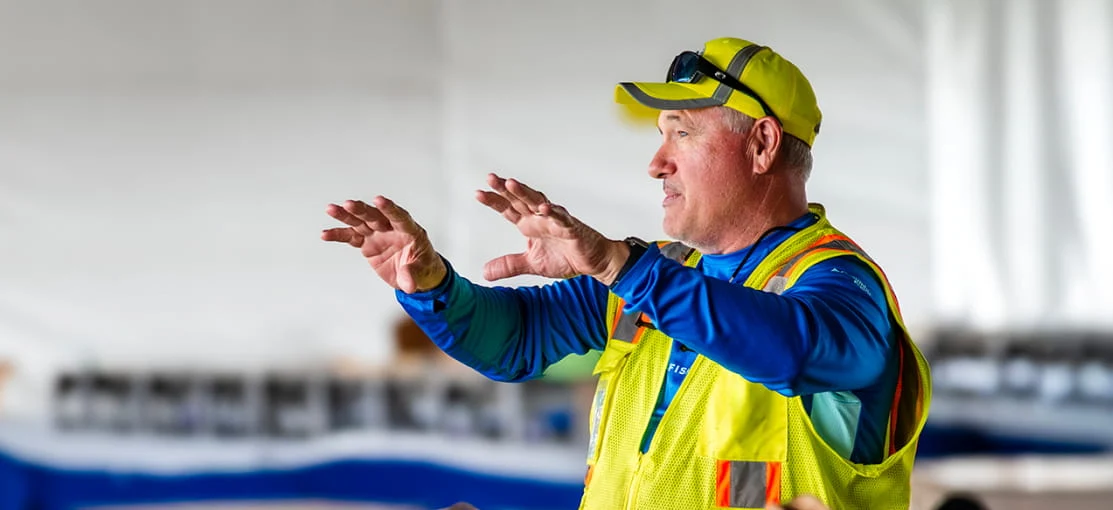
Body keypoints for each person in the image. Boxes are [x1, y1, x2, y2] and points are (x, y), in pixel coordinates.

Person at [323, 37, 931, 510]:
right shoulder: (659, 276)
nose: (656, 163)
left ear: (762, 145)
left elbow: (792, 349)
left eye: (682, 133)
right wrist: (431, 285)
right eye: (661, 136)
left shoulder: (845, 289)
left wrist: (622, 267)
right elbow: (515, 339)